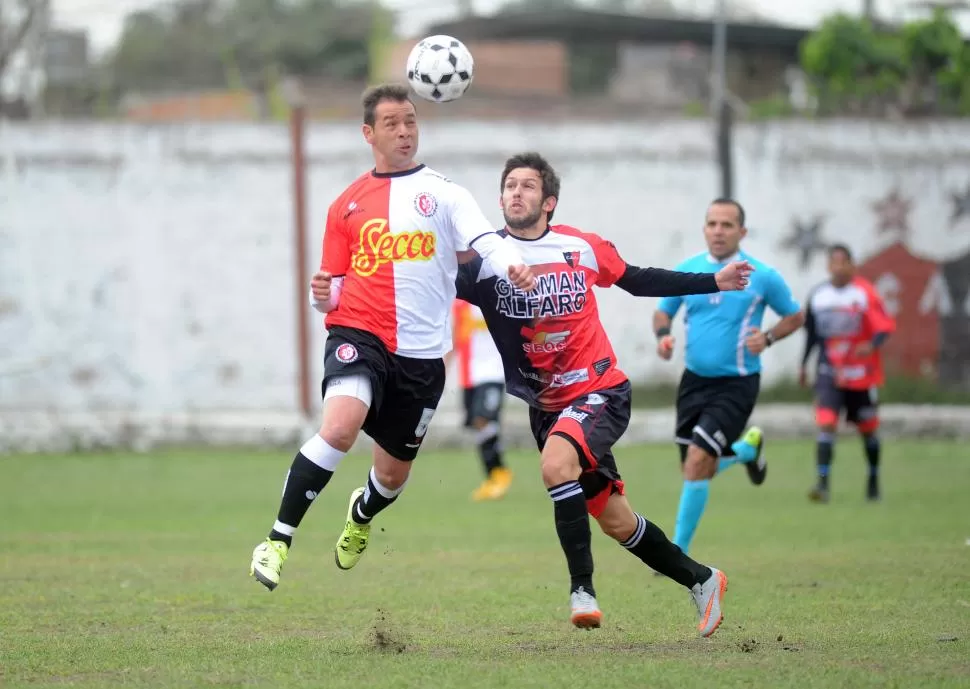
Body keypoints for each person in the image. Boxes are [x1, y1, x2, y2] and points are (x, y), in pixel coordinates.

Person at [249, 83, 536, 590]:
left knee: (392, 477)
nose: (404, 132)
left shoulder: (447, 194)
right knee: (339, 428)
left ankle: (359, 515)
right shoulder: (346, 206)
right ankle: (276, 541)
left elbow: (485, 241)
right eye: (392, 124)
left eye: (410, 122)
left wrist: (514, 264)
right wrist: (322, 295)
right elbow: (331, 293)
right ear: (369, 133)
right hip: (358, 334)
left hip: (422, 358)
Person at [457, 152, 753, 636]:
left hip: (600, 391)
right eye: (509, 185)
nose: (516, 193)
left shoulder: (581, 247)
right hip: (545, 407)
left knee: (555, 467)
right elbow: (420, 287)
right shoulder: (485, 263)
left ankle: (582, 590)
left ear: (548, 201)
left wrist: (711, 281)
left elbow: (638, 279)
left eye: (527, 186)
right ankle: (702, 580)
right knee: (616, 522)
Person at [652, 198, 804, 558]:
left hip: (736, 384)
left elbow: (795, 316)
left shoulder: (763, 276)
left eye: (727, 225)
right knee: (694, 467)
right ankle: (746, 452)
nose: (718, 231)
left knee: (696, 464)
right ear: (704, 229)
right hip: (693, 382)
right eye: (712, 224)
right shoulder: (689, 271)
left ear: (742, 232)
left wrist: (767, 337)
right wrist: (663, 337)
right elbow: (662, 312)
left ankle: (678, 553)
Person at [800, 244, 895, 503]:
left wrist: (871, 345)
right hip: (829, 371)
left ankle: (873, 479)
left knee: (867, 429)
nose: (839, 268)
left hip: (860, 374)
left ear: (853, 265)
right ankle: (822, 484)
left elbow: (884, 327)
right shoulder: (819, 295)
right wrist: (803, 364)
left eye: (844, 262)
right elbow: (812, 335)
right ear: (828, 266)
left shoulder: (865, 293)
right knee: (827, 423)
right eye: (834, 263)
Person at [447, 298, 513, 501]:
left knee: (483, 419)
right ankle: (493, 476)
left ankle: (499, 472)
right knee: (478, 424)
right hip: (470, 375)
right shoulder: (460, 304)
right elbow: (455, 336)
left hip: (494, 372)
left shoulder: (495, 294)